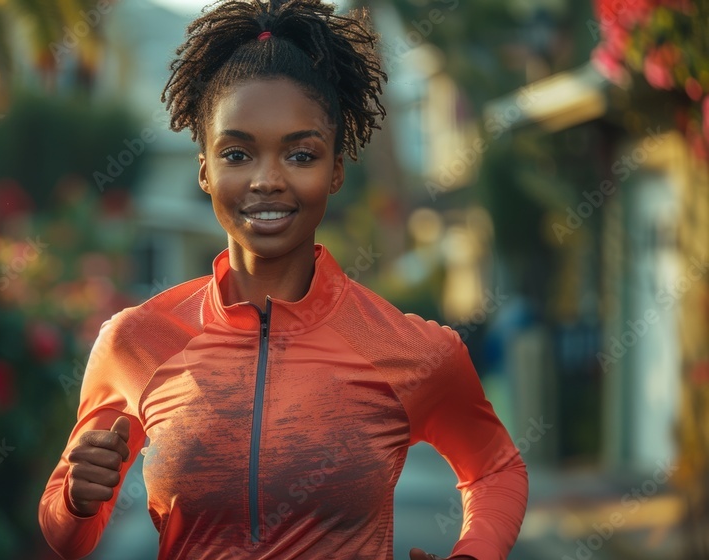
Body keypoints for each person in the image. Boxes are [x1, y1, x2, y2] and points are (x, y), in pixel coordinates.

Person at [39, 0, 529, 558]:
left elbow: (495, 468)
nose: (267, 180)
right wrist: (77, 501)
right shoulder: (135, 341)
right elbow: (67, 538)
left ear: (336, 170)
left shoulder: (412, 348)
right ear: (205, 167)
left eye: (300, 154)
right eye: (238, 153)